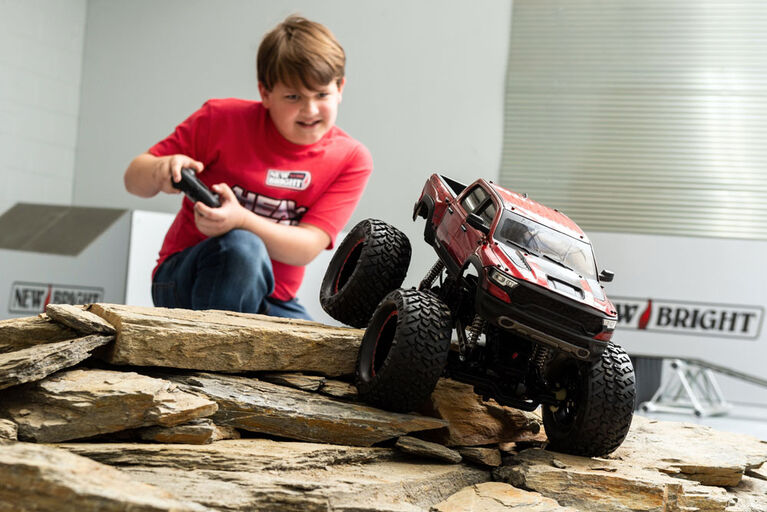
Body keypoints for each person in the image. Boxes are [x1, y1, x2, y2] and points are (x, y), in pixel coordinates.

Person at [123, 15, 372, 320]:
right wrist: (159, 170)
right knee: (243, 248)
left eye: (322, 95)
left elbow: (307, 247)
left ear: (340, 88)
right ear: (265, 93)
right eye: (293, 97)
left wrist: (240, 218)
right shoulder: (220, 119)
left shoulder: (351, 159)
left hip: (272, 298)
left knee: (327, 361)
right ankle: (211, 351)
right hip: (183, 280)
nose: (310, 110)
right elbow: (133, 179)